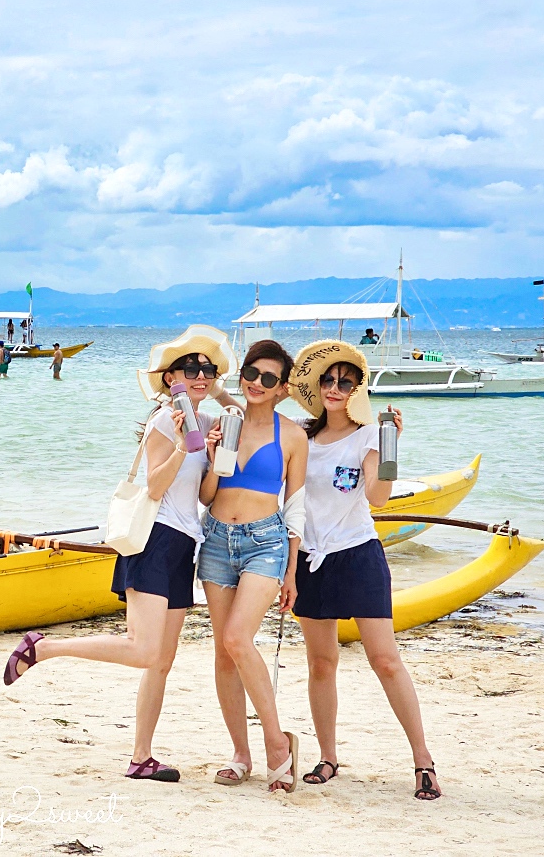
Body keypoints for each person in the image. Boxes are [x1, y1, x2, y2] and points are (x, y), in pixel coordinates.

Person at [1, 326, 242, 782]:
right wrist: (179, 443)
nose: (199, 375)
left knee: (162, 661)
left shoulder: (208, 420)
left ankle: (141, 757)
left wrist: (220, 394)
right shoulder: (162, 422)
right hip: (155, 539)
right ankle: (45, 647)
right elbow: (154, 486)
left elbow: (246, 418)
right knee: (145, 650)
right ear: (169, 378)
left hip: (185, 544)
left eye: (206, 369)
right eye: (190, 369)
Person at [287, 340, 441, 800]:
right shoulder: (301, 434)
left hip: (357, 555)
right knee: (320, 663)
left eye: (345, 381)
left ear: (358, 389)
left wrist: (392, 441)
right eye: (328, 380)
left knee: (386, 660)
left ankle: (423, 762)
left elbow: (377, 497)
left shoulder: (369, 434)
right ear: (317, 385)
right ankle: (328, 757)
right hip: (310, 559)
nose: (335, 388)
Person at [198, 339, 308, 793]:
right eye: (251, 373)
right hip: (217, 540)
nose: (256, 383)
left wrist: (292, 573)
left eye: (268, 378)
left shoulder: (294, 435)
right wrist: (213, 456)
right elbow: (205, 496)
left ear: (282, 388)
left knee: (238, 639)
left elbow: (297, 507)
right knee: (224, 652)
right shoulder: (226, 425)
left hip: (267, 542)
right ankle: (240, 756)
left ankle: (277, 744)